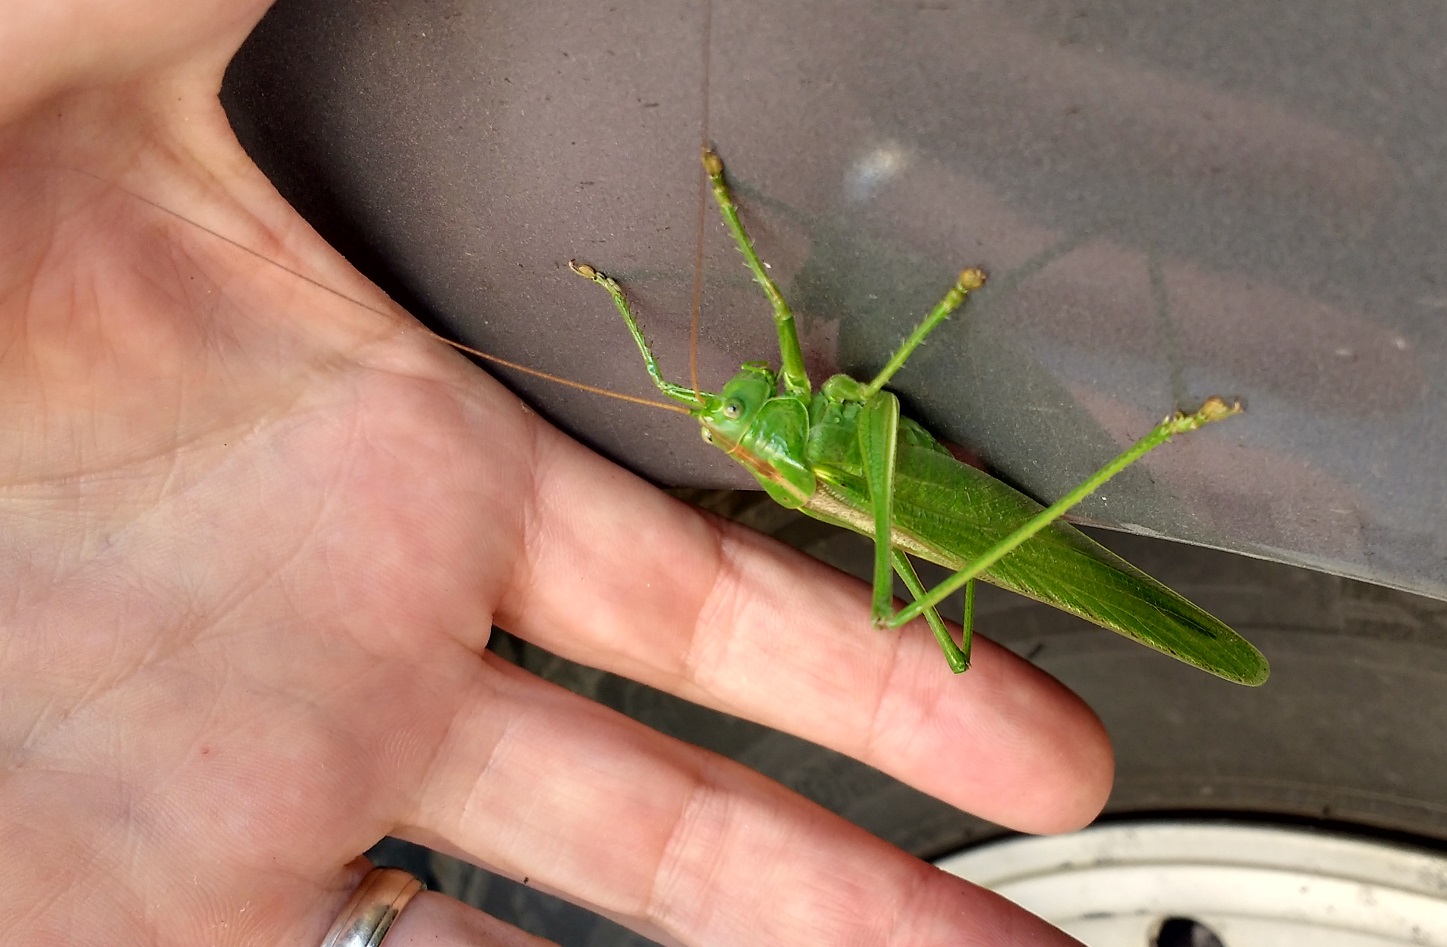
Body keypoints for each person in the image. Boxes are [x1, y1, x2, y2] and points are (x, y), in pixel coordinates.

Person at [0, 1, 1113, 944]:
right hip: (899, 489)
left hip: (890, 482)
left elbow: (693, 373)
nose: (724, 405)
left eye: (728, 413)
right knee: (902, 575)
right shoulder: (784, 435)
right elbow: (793, 350)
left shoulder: (754, 424)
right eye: (728, 416)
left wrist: (624, 293)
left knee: (907, 575)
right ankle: (1143, 445)